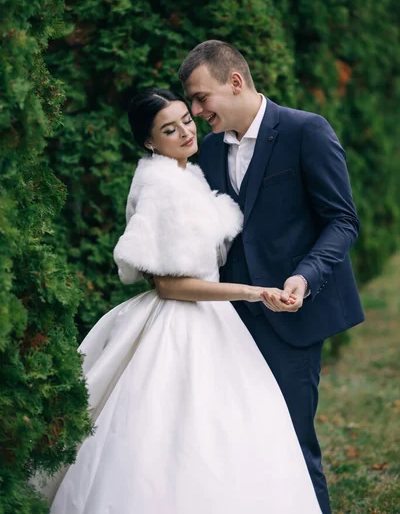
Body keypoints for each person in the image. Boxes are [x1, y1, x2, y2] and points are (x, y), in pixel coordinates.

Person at [45, 88, 322, 513]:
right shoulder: (160, 186)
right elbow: (170, 286)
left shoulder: (185, 175)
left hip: (214, 321)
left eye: (186, 121)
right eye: (169, 129)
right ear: (149, 142)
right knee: (172, 434)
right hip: (181, 321)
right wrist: (252, 292)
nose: (186, 132)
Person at [179, 40, 365, 514]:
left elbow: (342, 220)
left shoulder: (306, 131)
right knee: (240, 446)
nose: (197, 112)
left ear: (235, 82)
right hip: (227, 323)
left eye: (202, 98)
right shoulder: (209, 155)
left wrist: (305, 276)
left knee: (293, 442)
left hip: (290, 317)